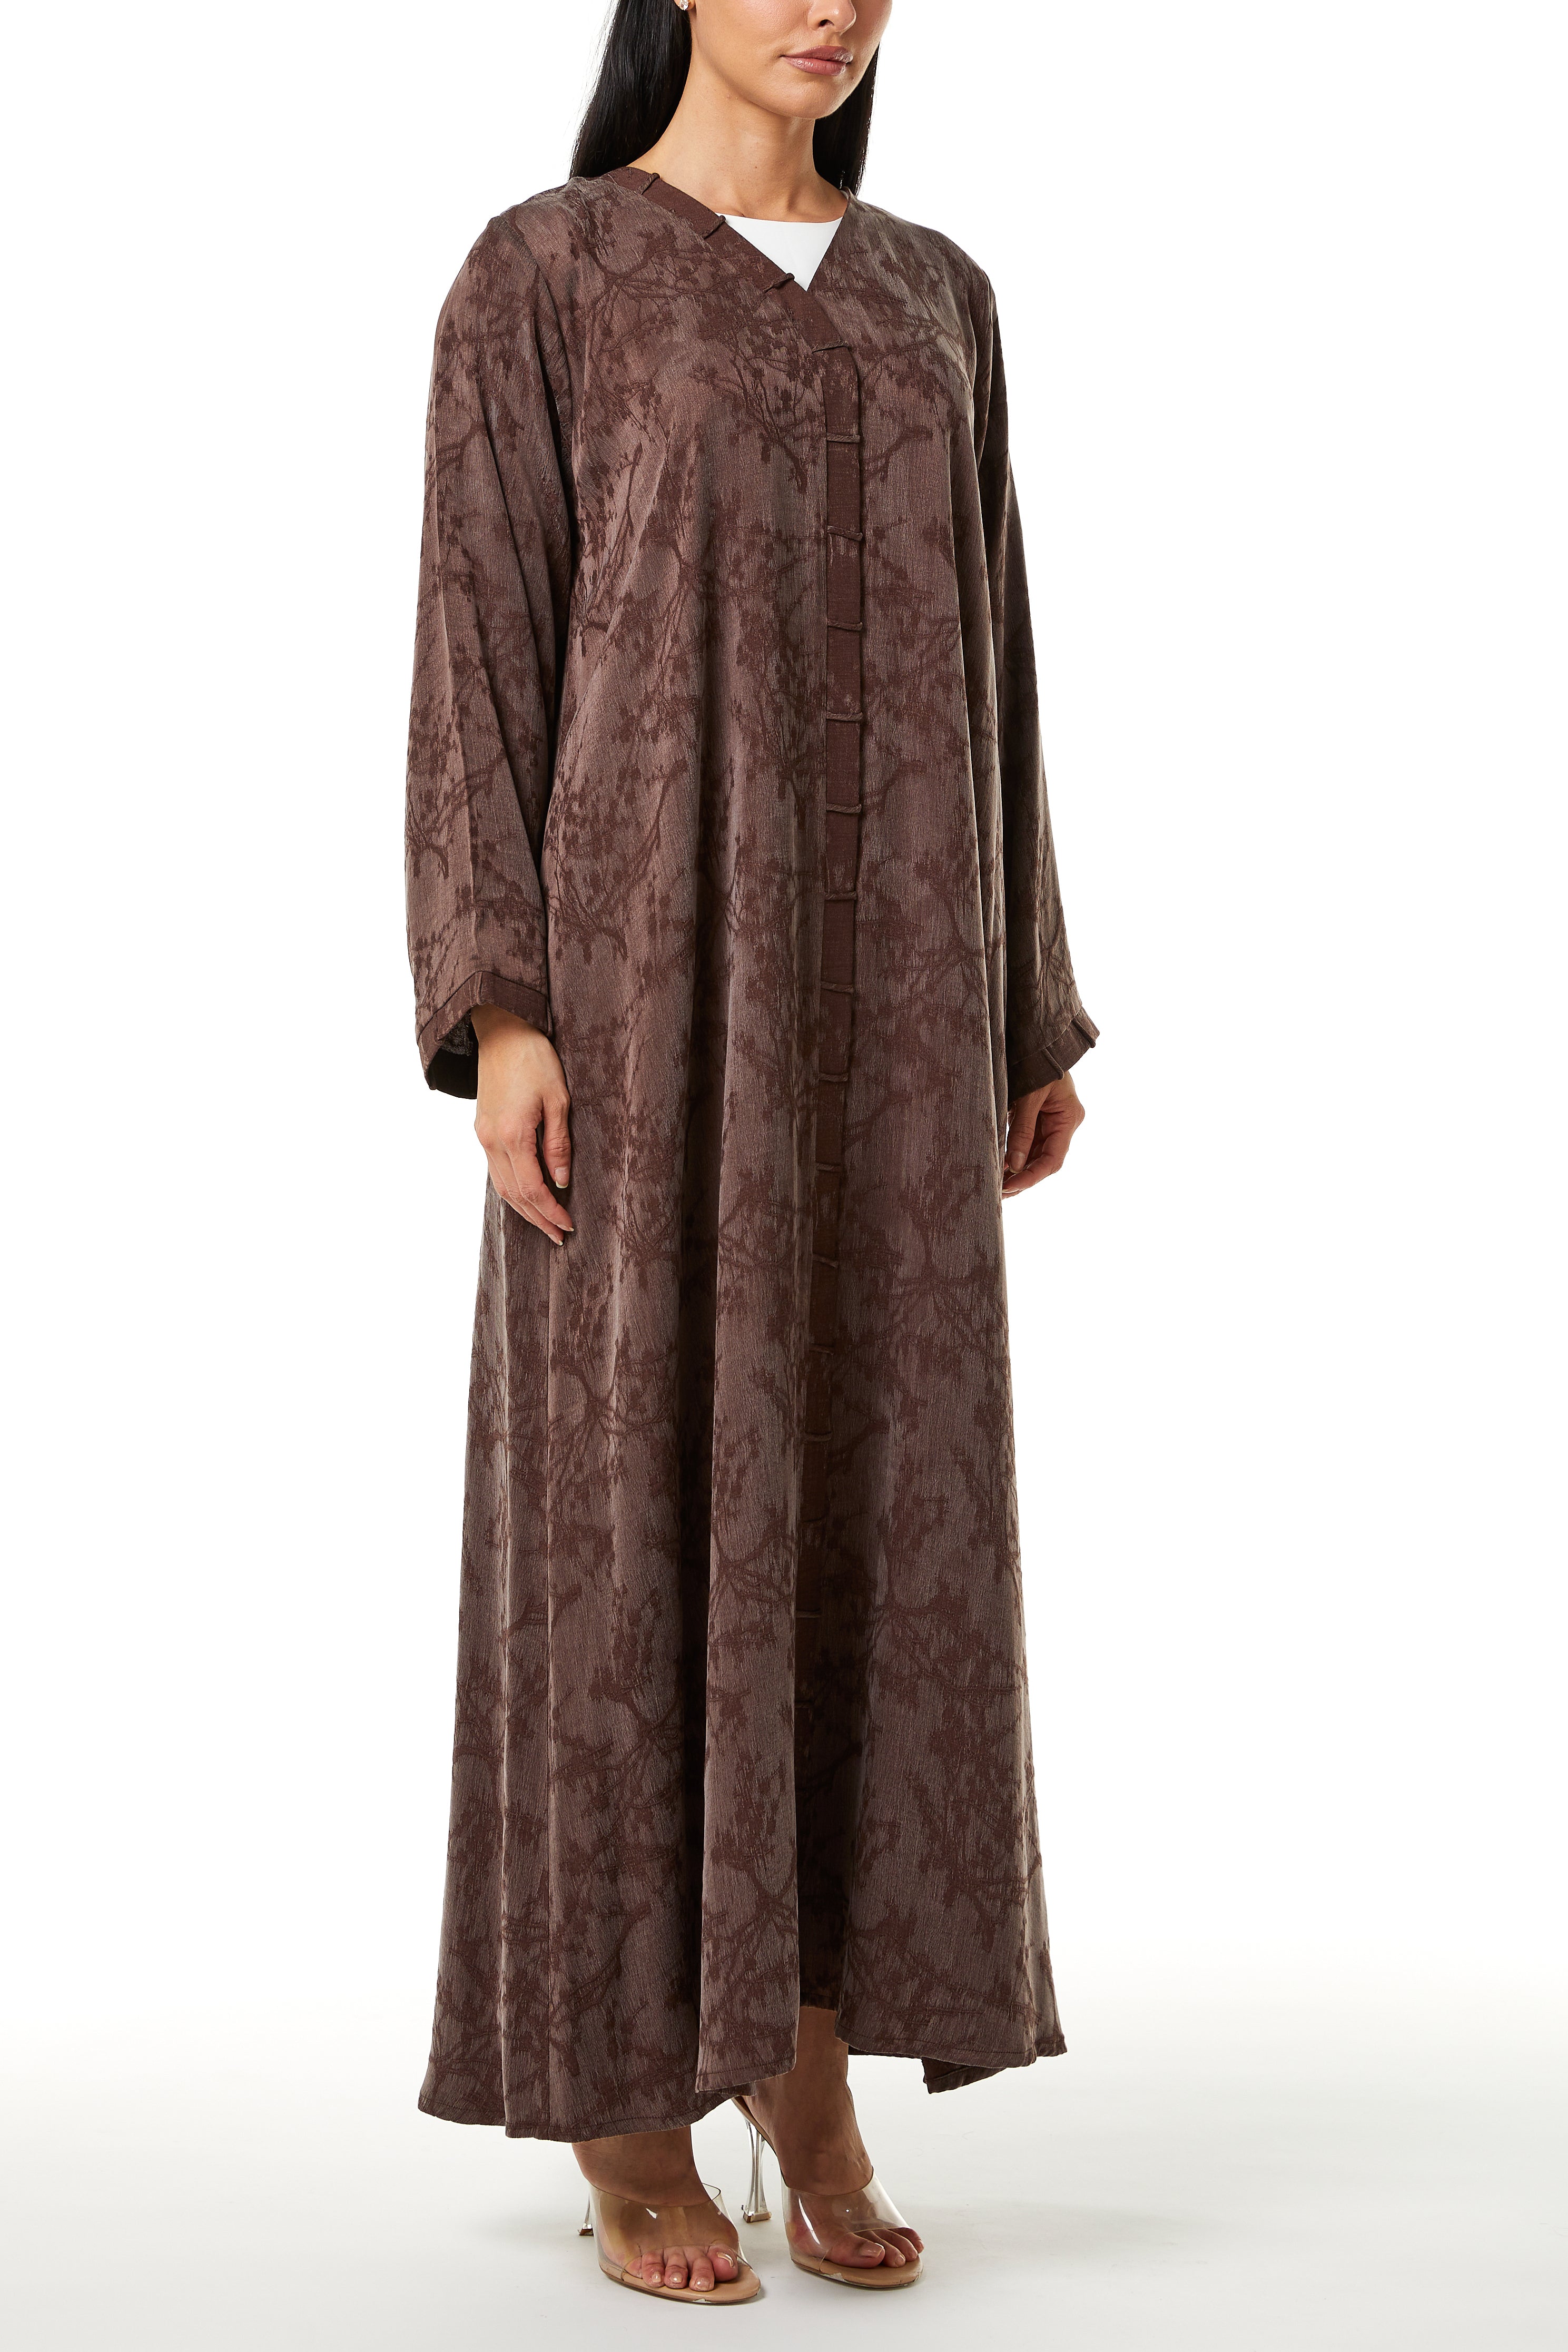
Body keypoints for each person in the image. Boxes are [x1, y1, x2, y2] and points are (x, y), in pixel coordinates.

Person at [404, 0, 1096, 2306]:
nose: (834, 4)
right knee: (627, 1507)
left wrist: (1021, 997)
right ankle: (622, 2098)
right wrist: (503, 1001)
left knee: (867, 1501)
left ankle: (805, 2065)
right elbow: (479, 641)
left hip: (896, 1005)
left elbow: (997, 659)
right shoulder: (545, 273)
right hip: (642, 1003)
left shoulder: (935, 298)